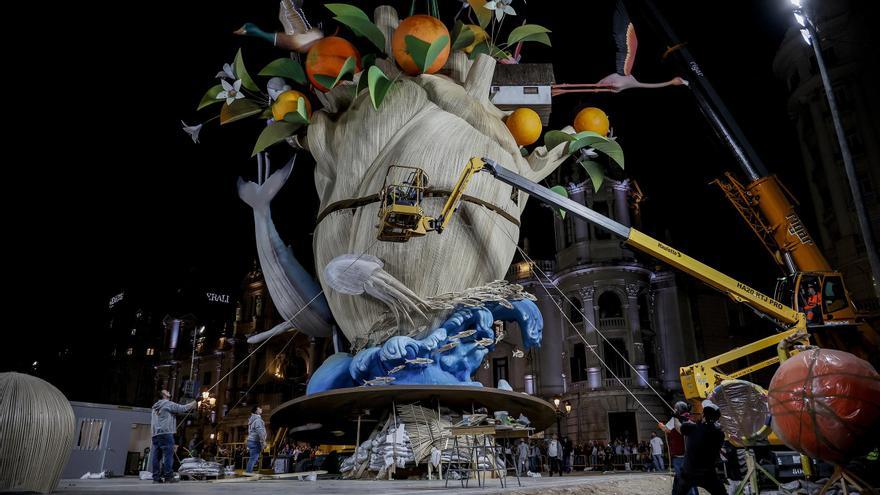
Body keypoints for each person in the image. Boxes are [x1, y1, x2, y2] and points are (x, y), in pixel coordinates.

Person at [672, 400, 727, 495]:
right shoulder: (719, 434)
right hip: (708, 474)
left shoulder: (692, 428)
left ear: (704, 416)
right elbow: (706, 430)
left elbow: (679, 427)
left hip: (689, 473)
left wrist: (676, 416)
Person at [150, 390, 197, 483]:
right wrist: (196, 401)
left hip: (155, 434)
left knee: (156, 457)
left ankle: (156, 478)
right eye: (166, 391)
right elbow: (183, 408)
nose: (168, 391)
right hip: (166, 433)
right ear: (164, 395)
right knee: (168, 456)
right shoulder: (167, 404)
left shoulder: (155, 406)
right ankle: (168, 476)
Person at [660, 402, 698, 495]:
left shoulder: (676, 419)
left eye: (675, 409)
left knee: (685, 481)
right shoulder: (691, 418)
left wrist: (661, 425)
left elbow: (668, 429)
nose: (674, 410)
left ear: (678, 409)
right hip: (689, 456)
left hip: (681, 456)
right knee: (683, 481)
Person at [246, 406, 267, 473]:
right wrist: (263, 441)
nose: (261, 409)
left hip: (251, 440)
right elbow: (260, 431)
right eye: (259, 408)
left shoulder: (252, 419)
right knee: (253, 458)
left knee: (252, 458)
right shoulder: (257, 420)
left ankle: (248, 472)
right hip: (255, 441)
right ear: (256, 411)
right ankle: (248, 473)